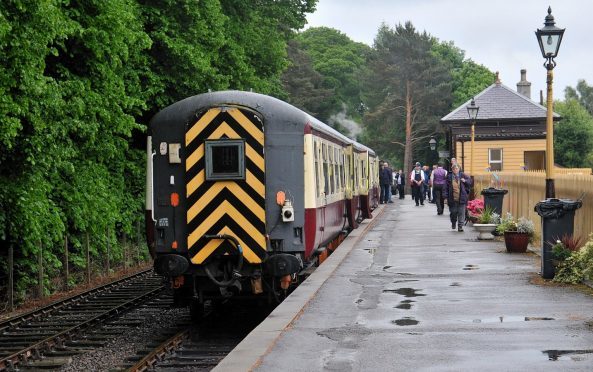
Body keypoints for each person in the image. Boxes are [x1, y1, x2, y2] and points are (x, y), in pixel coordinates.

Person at [443, 164, 472, 232]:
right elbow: (445, 188)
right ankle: (453, 222)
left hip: (462, 198)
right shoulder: (449, 177)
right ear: (452, 170)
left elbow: (470, 181)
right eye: (454, 169)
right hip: (452, 198)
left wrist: (465, 181)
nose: (455, 170)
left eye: (457, 168)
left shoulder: (462, 175)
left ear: (459, 169)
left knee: (461, 213)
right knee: (453, 212)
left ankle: (460, 226)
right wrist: (445, 197)